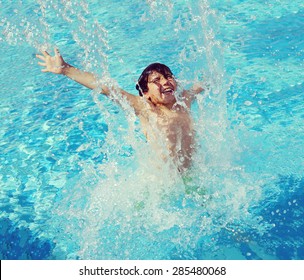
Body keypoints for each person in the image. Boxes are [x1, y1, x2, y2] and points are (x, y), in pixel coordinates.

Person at [36, 48, 204, 173]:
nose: (165, 82)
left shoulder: (183, 101)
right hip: (163, 181)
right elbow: (107, 89)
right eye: (157, 80)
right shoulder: (146, 108)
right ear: (146, 93)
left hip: (190, 174)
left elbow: (201, 85)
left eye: (168, 76)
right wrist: (66, 69)